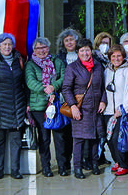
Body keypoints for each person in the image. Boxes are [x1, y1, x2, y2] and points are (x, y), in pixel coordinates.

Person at [0, 33, 28, 180]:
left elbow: (24, 84)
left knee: (16, 141)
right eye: (4, 44)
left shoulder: (19, 60)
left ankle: (15, 170)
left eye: (9, 44)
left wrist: (26, 104)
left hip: (17, 106)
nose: (7, 47)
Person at [62, 38, 107, 179]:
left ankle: (94, 164)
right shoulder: (72, 67)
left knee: (94, 138)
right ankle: (78, 168)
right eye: (82, 50)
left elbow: (103, 87)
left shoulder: (98, 66)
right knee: (79, 139)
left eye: (87, 49)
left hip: (96, 108)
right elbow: (66, 88)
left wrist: (103, 101)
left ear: (91, 51)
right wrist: (73, 106)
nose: (85, 53)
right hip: (80, 108)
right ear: (77, 52)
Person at [25, 37, 67, 178]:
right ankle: (46, 167)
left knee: (59, 138)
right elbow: (30, 82)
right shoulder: (30, 64)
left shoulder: (57, 61)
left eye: (44, 47)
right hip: (39, 107)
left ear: (48, 48)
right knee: (44, 139)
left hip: (56, 105)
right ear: (34, 50)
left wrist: (53, 87)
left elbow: (63, 77)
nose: (41, 50)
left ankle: (62, 166)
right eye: (38, 48)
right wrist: (46, 90)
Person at [53, 28, 82, 175]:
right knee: (61, 135)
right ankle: (62, 166)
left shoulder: (83, 55)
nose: (70, 42)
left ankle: (77, 162)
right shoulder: (58, 59)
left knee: (75, 134)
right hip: (63, 102)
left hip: (80, 101)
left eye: (72, 39)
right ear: (63, 43)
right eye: (66, 40)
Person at [103, 44, 128, 176]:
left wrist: (123, 109)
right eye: (113, 56)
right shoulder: (107, 71)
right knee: (109, 139)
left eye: (119, 56)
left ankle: (124, 164)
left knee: (119, 138)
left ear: (123, 56)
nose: (116, 59)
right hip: (108, 111)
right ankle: (117, 161)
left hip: (123, 111)